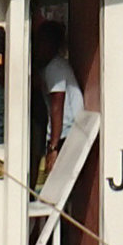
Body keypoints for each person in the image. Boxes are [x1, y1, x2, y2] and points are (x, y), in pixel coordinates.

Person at [34, 20, 85, 178]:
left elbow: (57, 107)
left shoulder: (54, 68)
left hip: (66, 134)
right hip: (65, 132)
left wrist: (53, 148)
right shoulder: (49, 67)